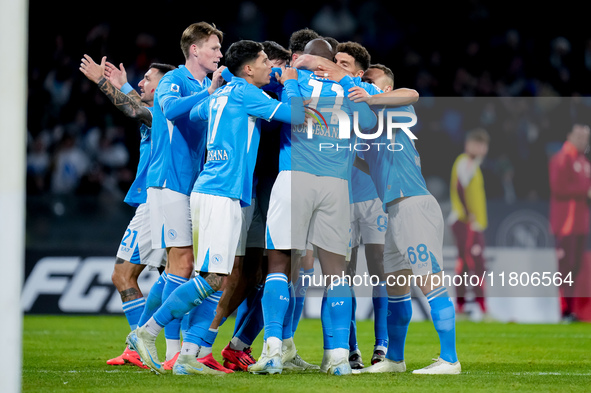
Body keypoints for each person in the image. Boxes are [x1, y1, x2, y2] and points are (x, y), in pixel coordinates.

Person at [127, 39, 305, 375]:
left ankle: (188, 357)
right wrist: (292, 81)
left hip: (215, 190)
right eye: (265, 60)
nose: (271, 66)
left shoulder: (221, 94)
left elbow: (192, 116)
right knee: (212, 277)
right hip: (221, 193)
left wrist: (213, 95)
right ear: (249, 68)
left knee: (217, 277)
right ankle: (146, 331)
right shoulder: (245, 93)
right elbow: (294, 114)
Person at [248, 38, 377, 376]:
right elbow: (368, 123)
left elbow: (281, 104)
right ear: (331, 61)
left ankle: (273, 351)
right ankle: (336, 357)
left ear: (306, 59)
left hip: (295, 178)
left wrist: (291, 77)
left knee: (278, 264)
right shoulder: (351, 87)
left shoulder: (292, 78)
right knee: (335, 274)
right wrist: (346, 79)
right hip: (336, 185)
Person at [351, 63, 461, 375]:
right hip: (394, 211)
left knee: (430, 281)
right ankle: (395, 360)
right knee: (397, 288)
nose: (363, 84)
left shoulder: (393, 113)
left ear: (384, 89)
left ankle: (450, 360)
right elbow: (370, 165)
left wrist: (372, 97)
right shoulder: (372, 127)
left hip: (414, 206)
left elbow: (411, 93)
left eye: (370, 81)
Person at [79, 55, 173, 368]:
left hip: (153, 201)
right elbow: (140, 108)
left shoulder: (161, 111)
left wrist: (102, 82)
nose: (142, 82)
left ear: (166, 86)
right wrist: (126, 86)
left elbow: (136, 110)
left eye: (148, 79)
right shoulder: (172, 113)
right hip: (168, 199)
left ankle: (139, 344)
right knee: (170, 276)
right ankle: (180, 349)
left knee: (123, 275)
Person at [142, 22, 225, 366]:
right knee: (183, 264)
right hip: (168, 181)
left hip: (191, 184)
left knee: (181, 268)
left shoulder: (206, 83)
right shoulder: (175, 79)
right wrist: (209, 94)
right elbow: (169, 110)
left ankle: (169, 349)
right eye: (214, 48)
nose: (220, 55)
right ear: (195, 49)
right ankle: (147, 337)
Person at [549, 123, 591, 322]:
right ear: (570, 136)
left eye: (586, 137)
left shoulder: (583, 161)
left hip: (581, 223)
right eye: (580, 136)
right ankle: (563, 311)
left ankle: (573, 310)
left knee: (575, 268)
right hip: (566, 223)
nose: (583, 141)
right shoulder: (562, 159)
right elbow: (558, 188)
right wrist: (585, 192)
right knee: (565, 269)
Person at [448, 128, 490, 321]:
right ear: (469, 144)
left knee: (466, 265)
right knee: (475, 264)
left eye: (484, 145)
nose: (482, 148)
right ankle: (481, 308)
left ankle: (462, 307)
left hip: (470, 222)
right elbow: (459, 188)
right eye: (478, 144)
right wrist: (469, 215)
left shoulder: (472, 163)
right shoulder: (466, 162)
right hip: (466, 223)